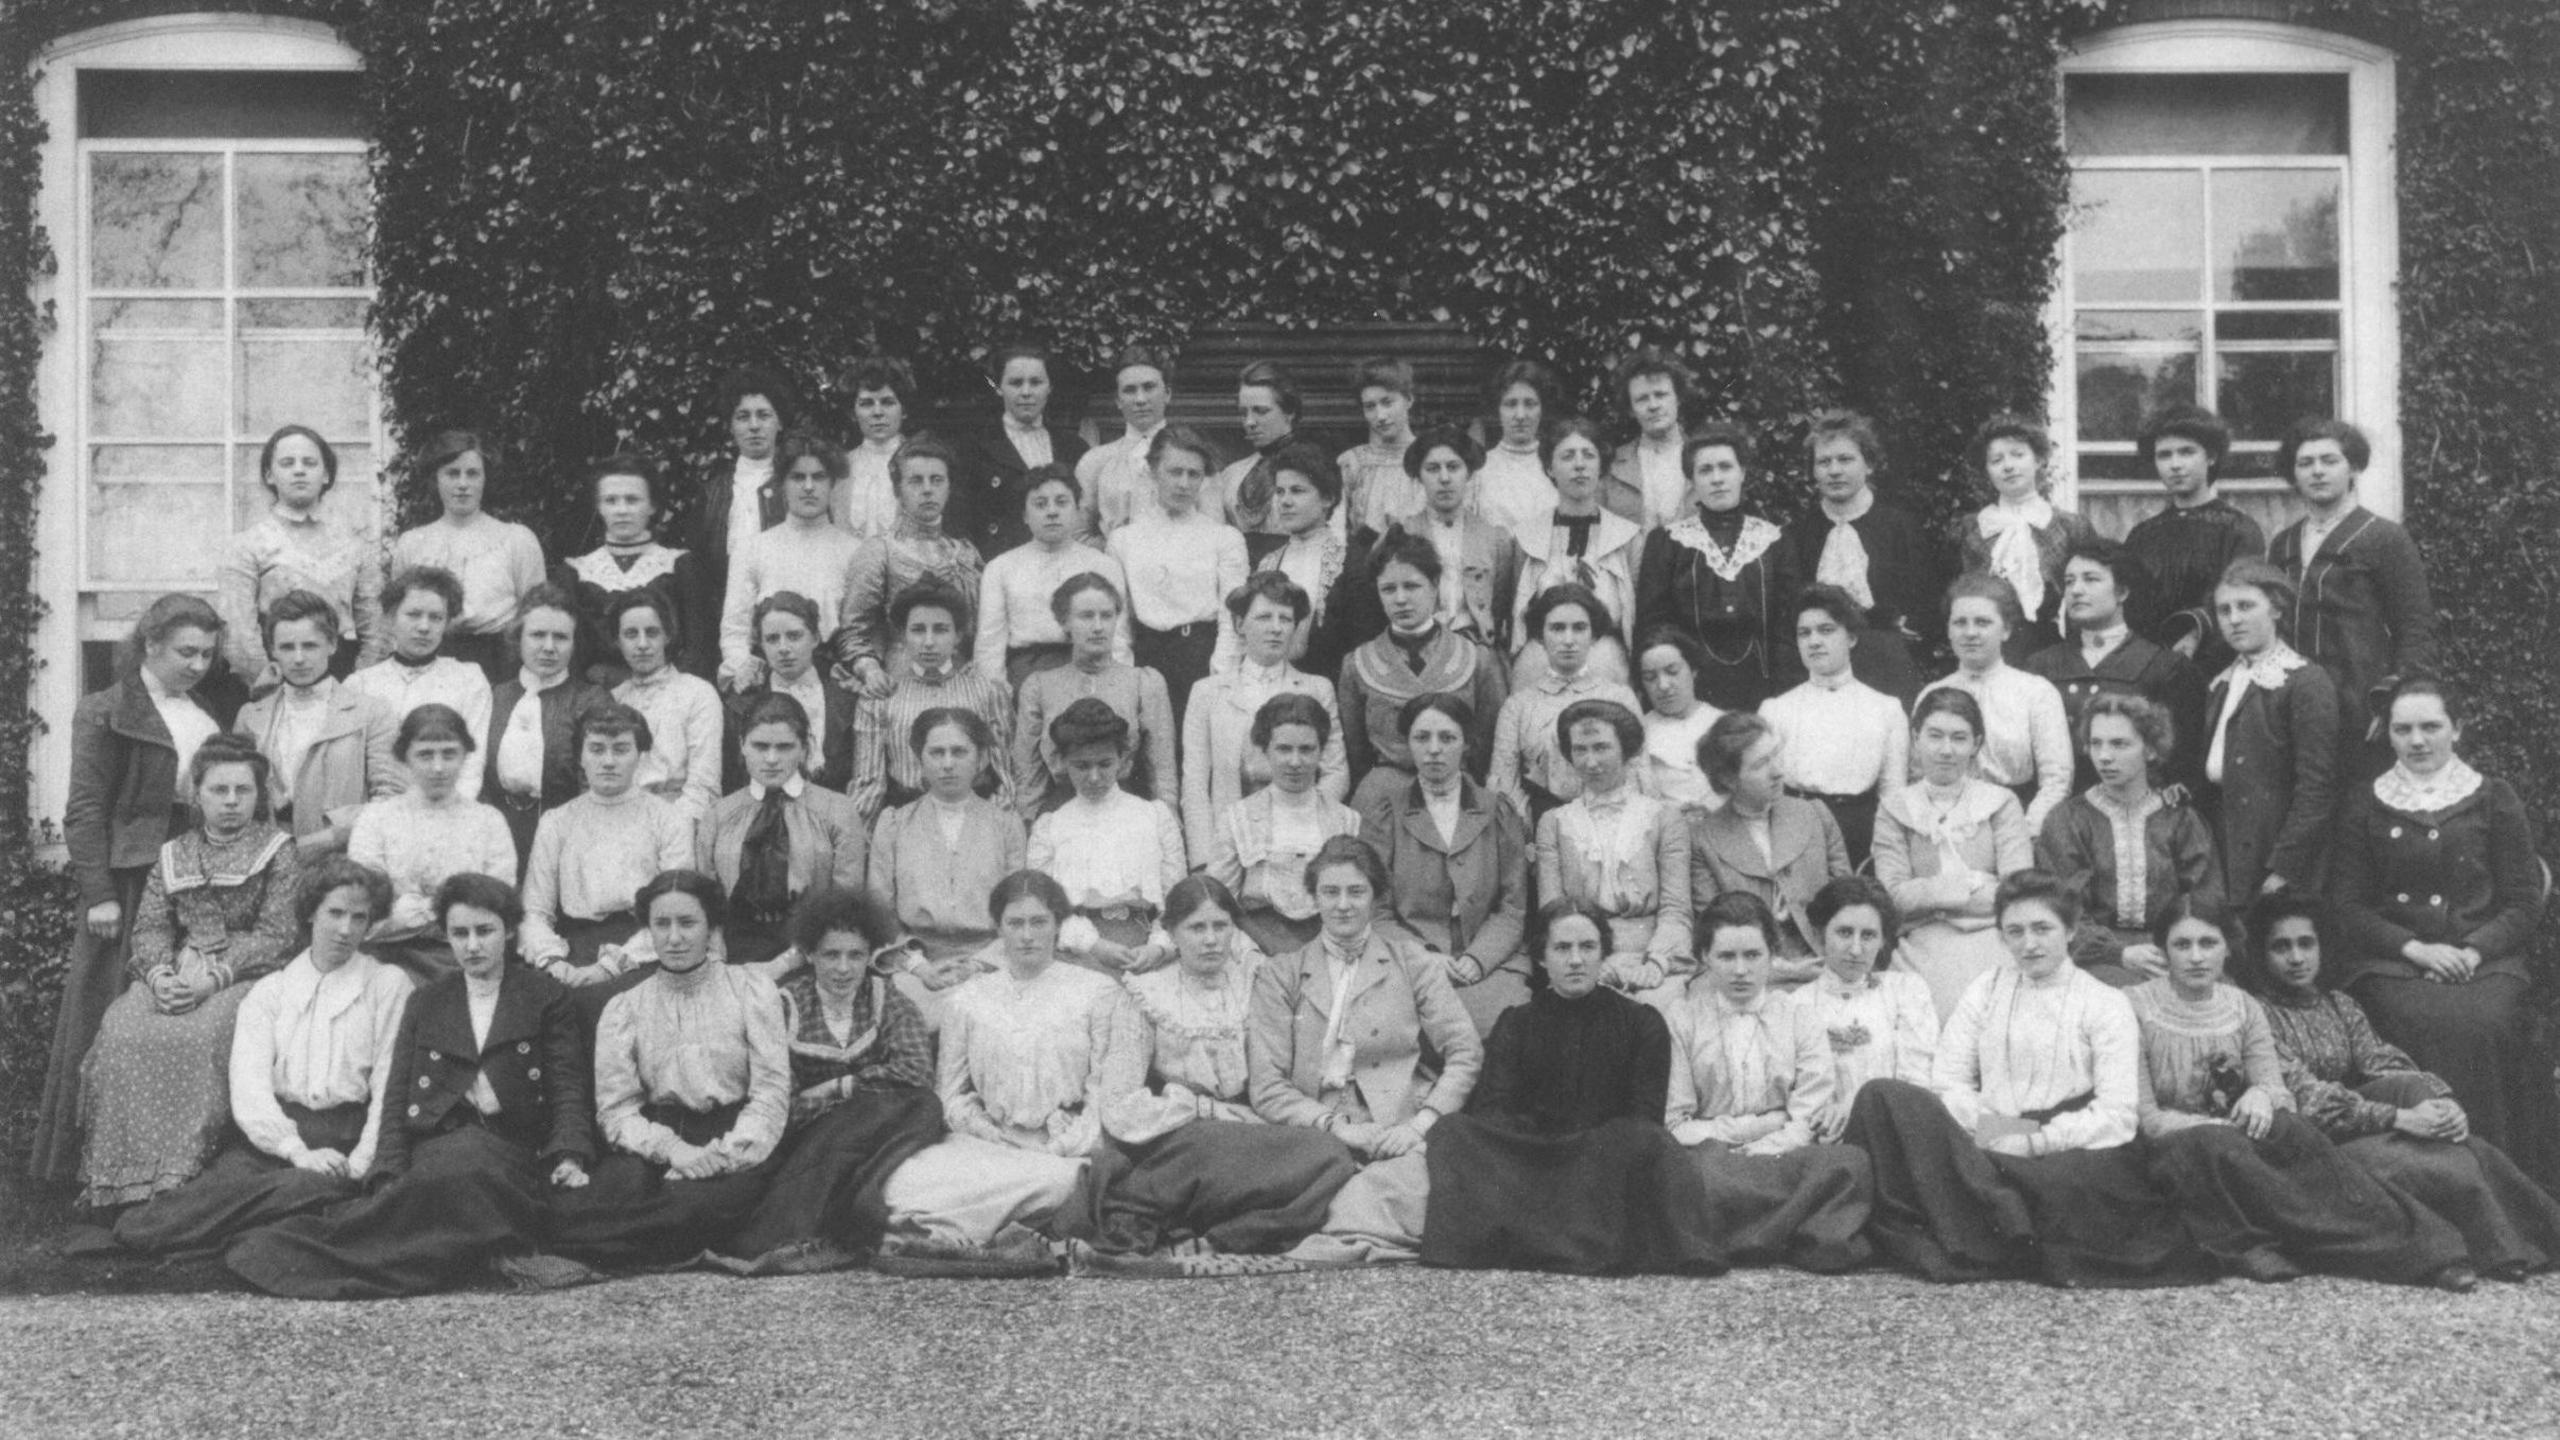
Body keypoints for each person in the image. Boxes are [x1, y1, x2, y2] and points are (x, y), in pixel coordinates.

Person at [224, 873, 598, 1299]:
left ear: (509, 930)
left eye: (484, 931)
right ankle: (493, 1252)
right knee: (445, 1172)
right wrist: (387, 1171)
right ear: (446, 936)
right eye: (459, 933)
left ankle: (477, 1254)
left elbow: (568, 1086)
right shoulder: (429, 1001)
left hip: (516, 1143)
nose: (472, 946)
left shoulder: (544, 996)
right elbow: (397, 1093)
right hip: (444, 1140)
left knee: (469, 1172)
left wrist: (569, 1154)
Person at [1839, 871, 2211, 1287]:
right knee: (1882, 1097)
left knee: (2062, 1188)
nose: (2028, 944)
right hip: (1990, 1132)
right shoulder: (1987, 988)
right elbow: (1948, 1080)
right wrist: (1991, 1127)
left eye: (2042, 929)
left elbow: (2118, 1114)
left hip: (2072, 1145)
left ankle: (1988, 1223)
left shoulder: (2105, 1003)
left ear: (2070, 931)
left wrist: (2035, 1140)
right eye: (2014, 931)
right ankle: (1986, 1211)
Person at [2128, 898, 2472, 1288]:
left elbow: (2278, 1090)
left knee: (2296, 1132)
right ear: (2162, 951)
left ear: (2227, 948)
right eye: (2181, 945)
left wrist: (2261, 1094)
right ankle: (2341, 1248)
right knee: (2228, 1150)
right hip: (2176, 1148)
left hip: (2238, 1140)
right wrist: (2223, 1125)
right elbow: (2148, 1118)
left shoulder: (2243, 1006)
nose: (2195, 957)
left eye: (2208, 943)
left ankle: (2425, 1250)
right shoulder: (2134, 1007)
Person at [110, 858, 413, 1256]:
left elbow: (391, 1083)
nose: (345, 929)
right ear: (310, 914)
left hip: (348, 1139)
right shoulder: (271, 991)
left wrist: (361, 1163)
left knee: (305, 1189)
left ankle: (278, 1220)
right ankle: (253, 1224)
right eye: (335, 913)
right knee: (191, 1207)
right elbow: (250, 1088)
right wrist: (296, 1150)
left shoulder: (387, 985)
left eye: (360, 918)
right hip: (277, 1141)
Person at [2252, 892, 2560, 1278]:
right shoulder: (2255, 1015)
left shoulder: (2338, 1005)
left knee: (2459, 1140)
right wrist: (2399, 1118)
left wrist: (2441, 1103)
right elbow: (2307, 1098)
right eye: (2281, 947)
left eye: (2305, 944)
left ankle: (2529, 1240)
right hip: (2312, 1146)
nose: (2296, 958)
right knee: (2430, 1160)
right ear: (2262, 955)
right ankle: (2500, 1251)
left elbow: (2385, 1062)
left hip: (2361, 1127)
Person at [2328, 678, 2557, 1187]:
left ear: (2457, 728)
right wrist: (2415, 948)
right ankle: (2413, 1186)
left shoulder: (2494, 798)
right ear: (2387, 735)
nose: (2417, 740)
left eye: (2431, 726)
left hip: (2485, 962)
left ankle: (2503, 1186)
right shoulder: (2366, 802)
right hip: (2391, 962)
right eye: (2402, 729)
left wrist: (2474, 951)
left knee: (2483, 1023)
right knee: (2406, 1018)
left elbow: (2522, 903)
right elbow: (2346, 906)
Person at [33, 593, 228, 1183]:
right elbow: (85, 809)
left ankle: (162, 1161)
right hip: (129, 877)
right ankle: (83, 1165)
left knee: (177, 1010)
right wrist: (99, 894)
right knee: (105, 1010)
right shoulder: (105, 709)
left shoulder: (202, 714)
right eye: (186, 652)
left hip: (190, 872)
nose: (197, 665)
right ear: (150, 644)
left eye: (207, 654)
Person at [1420, 900, 1723, 1275]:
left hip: (1603, 1164)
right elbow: (1494, 1111)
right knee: (1451, 1131)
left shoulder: (1641, 1023)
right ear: (1543, 958)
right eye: (1562, 948)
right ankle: (1568, 1237)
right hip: (1533, 1161)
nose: (1576, 960)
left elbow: (1644, 1119)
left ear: (1604, 954)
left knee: (1645, 1141)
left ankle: (1537, 1238)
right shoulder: (1517, 1023)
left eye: (1587, 947)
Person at [1084, 876, 1360, 1273]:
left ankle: (1224, 1237)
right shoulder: (1147, 994)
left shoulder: (1257, 979)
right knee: (1288, 1161)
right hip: (1184, 1135)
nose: (1211, 939)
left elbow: (1288, 1066)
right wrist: (1203, 1109)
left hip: (1255, 1122)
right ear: (1172, 934)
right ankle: (1219, 1229)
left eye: (1221, 926)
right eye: (1197, 928)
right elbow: (1119, 1104)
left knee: (1332, 1158)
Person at [77, 737, 299, 1209]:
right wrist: (160, 977)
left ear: (259, 795)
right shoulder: (174, 852)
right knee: (123, 1028)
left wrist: (213, 978)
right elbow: (152, 926)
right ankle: (119, 1180)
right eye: (219, 790)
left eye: (244, 790)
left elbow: (277, 935)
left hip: (245, 974)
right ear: (196, 794)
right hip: (178, 969)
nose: (232, 801)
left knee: (200, 1036)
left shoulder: (278, 851)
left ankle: (183, 1177)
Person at [876, 870, 1140, 1268]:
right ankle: (985, 1231)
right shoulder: (967, 999)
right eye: (1015, 923)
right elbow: (949, 1092)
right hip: (988, 1143)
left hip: (1063, 1148)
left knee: (1058, 1182)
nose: (1027, 935)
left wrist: (1064, 1144)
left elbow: (1107, 1094)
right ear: (998, 928)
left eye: (1039, 922)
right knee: (904, 1180)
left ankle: (951, 1232)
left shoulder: (1098, 992)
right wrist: (983, 1129)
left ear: (1058, 926)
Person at [1252, 836, 1483, 1265]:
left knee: (1422, 1183)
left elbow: (1465, 1052)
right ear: (1313, 898)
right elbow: (1267, 1085)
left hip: (1398, 1125)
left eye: (1356, 892)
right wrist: (1334, 1125)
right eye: (1330, 892)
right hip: (1315, 1130)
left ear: (1376, 897)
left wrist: (1420, 1125)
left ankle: (1342, 1225)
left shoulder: (1412, 961)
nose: (1343, 905)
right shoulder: (1280, 974)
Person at [546, 870, 791, 1271]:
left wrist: (721, 1156)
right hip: (656, 1142)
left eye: (688, 923)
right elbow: (617, 1110)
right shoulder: (625, 1008)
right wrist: (673, 1150)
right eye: (662, 924)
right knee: (582, 1207)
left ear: (712, 929)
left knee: (689, 1207)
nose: (674, 937)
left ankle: (625, 1248)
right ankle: (634, 1242)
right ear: (649, 931)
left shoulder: (751, 989)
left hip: (731, 1140)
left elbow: (771, 1094)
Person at [717, 888, 946, 1274]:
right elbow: (779, 1101)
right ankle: (812, 1230)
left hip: (875, 1129)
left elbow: (915, 1072)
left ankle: (847, 1213)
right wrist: (841, 1099)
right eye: (831, 954)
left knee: (924, 1106)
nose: (843, 968)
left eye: (855, 955)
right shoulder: (785, 1005)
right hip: (807, 1136)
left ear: (869, 955)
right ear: (809, 954)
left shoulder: (885, 999)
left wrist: (839, 1088)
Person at [1660, 893, 1877, 1271]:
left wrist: (1772, 1143)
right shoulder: (1681, 1020)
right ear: (1704, 958)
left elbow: (1807, 1116)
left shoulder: (1799, 1017)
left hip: (1784, 1157)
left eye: (1753, 955)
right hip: (1716, 1159)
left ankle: (1738, 1237)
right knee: (1690, 1175)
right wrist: (1760, 1126)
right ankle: (1787, 1235)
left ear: (1772, 955)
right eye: (1727, 957)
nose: (1741, 970)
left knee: (1850, 1163)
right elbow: (1676, 1124)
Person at [2267, 418, 2437, 779]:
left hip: (2360, 708)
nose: (2317, 472)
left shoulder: (2384, 538)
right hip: (2291, 708)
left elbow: (2415, 627)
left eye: (2330, 461)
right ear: (2293, 474)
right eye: (2305, 463)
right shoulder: (2282, 544)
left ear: (2353, 467)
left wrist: (2393, 703)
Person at [1360, 694, 1533, 1036]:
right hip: (1410, 961)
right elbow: (1376, 912)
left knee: (1501, 1028)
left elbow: (1512, 908)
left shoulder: (1496, 810)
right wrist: (1424, 958)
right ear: (1408, 744)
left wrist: (1477, 958)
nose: (1434, 749)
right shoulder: (1385, 814)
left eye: (1447, 738)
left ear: (1466, 744)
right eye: (1422, 738)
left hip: (1490, 962)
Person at [2034, 694, 2221, 987]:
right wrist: (2117, 952)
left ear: (2149, 749)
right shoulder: (2067, 821)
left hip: (2172, 953)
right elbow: (2061, 907)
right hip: (2092, 960)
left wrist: (2178, 949)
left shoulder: (2181, 820)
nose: (2104, 756)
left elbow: (2204, 900)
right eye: (2096, 743)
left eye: (2119, 744)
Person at [1872, 689, 2033, 1020]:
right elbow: (1893, 895)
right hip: (1923, 938)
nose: (1946, 750)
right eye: (1935, 736)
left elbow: (2017, 890)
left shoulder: (2001, 802)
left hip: (1993, 934)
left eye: (1959, 738)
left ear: (1975, 744)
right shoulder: (1894, 808)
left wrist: (1930, 891)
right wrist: (1971, 883)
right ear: (1916, 738)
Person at [518, 703, 695, 991]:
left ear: (640, 755)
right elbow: (535, 911)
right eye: (597, 749)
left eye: (621, 749)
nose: (609, 761)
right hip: (571, 950)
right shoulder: (557, 822)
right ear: (580, 756)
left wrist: (612, 966)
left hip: (645, 950)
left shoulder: (669, 818)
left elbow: (674, 908)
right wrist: (552, 962)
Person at [865, 709, 1028, 1014]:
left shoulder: (1006, 825)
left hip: (990, 963)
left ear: (980, 760)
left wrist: (978, 965)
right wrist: (919, 967)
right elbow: (879, 912)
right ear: (920, 759)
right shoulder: (894, 824)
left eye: (959, 752)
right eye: (937, 753)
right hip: (913, 966)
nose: (948, 763)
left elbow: (1018, 910)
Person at [1779, 410, 1945, 705]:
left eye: (1845, 459)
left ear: (1868, 464)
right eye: (1824, 462)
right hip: (1817, 667)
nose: (1834, 470)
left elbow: (1925, 604)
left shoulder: (1900, 527)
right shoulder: (1798, 534)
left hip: (1885, 664)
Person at [1183, 571, 1351, 863]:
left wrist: (1304, 825)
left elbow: (1336, 773)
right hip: (1229, 843)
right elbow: (1195, 783)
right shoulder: (1207, 692)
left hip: (1301, 842)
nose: (1276, 628)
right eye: (1264, 618)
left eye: (1285, 619)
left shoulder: (1316, 688)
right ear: (1239, 624)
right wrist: (1204, 859)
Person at [1337, 531, 1510, 811]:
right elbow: (1355, 751)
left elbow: (1487, 741)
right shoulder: (1356, 664)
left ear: (1434, 585)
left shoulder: (1476, 658)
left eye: (1412, 586)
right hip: (1384, 799)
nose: (1401, 599)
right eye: (1389, 589)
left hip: (1457, 795)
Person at [2023, 536, 2209, 797]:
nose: (2076, 590)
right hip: (2058, 812)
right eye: (2069, 581)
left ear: (2122, 591)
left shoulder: (2166, 667)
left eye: (2091, 579)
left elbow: (2183, 761)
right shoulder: (2040, 666)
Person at [1634, 424, 1802, 712]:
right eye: (1705, 470)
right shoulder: (1667, 542)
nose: (1717, 479)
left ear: (1742, 473)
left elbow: (1788, 625)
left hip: (1765, 688)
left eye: (1725, 467)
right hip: (1692, 692)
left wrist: (1783, 698)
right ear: (1691, 481)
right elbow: (1653, 626)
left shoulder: (1774, 539)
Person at [346, 704, 518, 983]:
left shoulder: (488, 821)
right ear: (404, 758)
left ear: (465, 756)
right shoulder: (376, 819)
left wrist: (410, 910)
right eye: (425, 755)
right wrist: (449, 908)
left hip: (467, 960)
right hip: (385, 960)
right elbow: (368, 914)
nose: (438, 767)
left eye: (449, 754)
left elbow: (497, 912)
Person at [2200, 559, 2339, 902]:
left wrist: (2284, 867)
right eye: (2224, 610)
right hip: (2223, 840)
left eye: (2246, 606)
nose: (2234, 619)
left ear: (2276, 609)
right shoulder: (2222, 682)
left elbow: (2317, 786)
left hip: (2271, 847)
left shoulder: (2304, 681)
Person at [1535, 699, 1693, 992]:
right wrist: (1591, 962)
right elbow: (1552, 913)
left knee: (1659, 1006)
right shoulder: (1553, 823)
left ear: (1626, 749)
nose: (1590, 762)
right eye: (1580, 750)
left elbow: (1676, 909)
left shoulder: (1664, 818)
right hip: (1580, 957)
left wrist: (1655, 964)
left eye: (1601, 747)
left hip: (1651, 956)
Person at [700, 694, 868, 967]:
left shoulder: (837, 810)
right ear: (742, 745)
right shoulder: (719, 814)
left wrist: (786, 964)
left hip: (812, 952)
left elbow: (843, 905)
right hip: (733, 952)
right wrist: (718, 960)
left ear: (804, 749)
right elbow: (707, 899)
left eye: (785, 747)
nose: (771, 759)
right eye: (760, 746)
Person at [234, 590, 401, 859]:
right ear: (272, 650)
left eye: (310, 645)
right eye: (287, 647)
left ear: (332, 645)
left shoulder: (371, 713)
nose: (299, 658)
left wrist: (329, 839)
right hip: (266, 860)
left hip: (341, 859)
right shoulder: (251, 716)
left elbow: (391, 800)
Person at [1027, 699, 1188, 970]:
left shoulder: (1155, 816)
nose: (1093, 777)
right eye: (1081, 765)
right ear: (1063, 762)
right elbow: (1042, 907)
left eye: (1104, 763)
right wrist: (1093, 945)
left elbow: (1178, 899)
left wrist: (1158, 948)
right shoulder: (1051, 825)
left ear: (1123, 760)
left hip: (1146, 948)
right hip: (1076, 953)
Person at [1689, 712, 1849, 982]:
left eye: (1775, 755)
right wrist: (1781, 971)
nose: (1778, 772)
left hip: (1827, 965)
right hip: (1750, 976)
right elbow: (1714, 931)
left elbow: (1848, 903)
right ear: (1729, 779)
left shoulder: (1815, 815)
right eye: (1761, 764)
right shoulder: (1703, 840)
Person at [1105, 426, 1248, 721]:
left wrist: (1221, 675)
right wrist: (1125, 676)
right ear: (1153, 471)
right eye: (1174, 472)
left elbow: (1231, 616)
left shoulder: (1224, 538)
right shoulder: (1124, 540)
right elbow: (1118, 620)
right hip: (1146, 659)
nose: (1184, 483)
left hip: (1201, 658)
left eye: (1194, 474)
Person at [1759, 585, 1907, 867]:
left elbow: (1893, 792)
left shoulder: (1885, 709)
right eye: (1805, 633)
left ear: (1851, 637)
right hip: (1793, 833)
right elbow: (1767, 792)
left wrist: (1884, 853)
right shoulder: (1776, 710)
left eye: (1826, 630)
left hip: (1859, 837)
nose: (1814, 641)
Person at [216, 424, 379, 681]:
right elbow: (238, 632)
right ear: (270, 476)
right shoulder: (246, 546)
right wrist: (266, 680)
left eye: (310, 463)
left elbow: (375, 627)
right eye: (287, 463)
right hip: (278, 671)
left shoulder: (356, 546)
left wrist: (362, 681)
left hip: (346, 673)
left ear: (326, 475)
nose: (299, 470)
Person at [844, 581, 1015, 825]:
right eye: (918, 630)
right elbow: (869, 785)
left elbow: (1004, 776)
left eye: (941, 629)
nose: (928, 642)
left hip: (976, 819)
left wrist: (994, 826)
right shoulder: (881, 699)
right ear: (903, 635)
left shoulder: (986, 692)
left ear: (958, 636)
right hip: (908, 820)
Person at [1205, 694, 1362, 957]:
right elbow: (1217, 903)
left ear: (1321, 751)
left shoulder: (1346, 821)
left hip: (1329, 950)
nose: (1295, 762)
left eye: (1306, 749)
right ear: (1265, 749)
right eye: (1284, 749)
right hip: (1257, 949)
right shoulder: (1238, 819)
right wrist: (1246, 954)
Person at [388, 429, 546, 685]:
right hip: (431, 659)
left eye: (472, 474)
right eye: (452, 473)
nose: (462, 484)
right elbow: (399, 618)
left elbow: (536, 615)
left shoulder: (515, 540)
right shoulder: (413, 543)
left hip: (500, 664)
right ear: (435, 479)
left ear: (485, 479)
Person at [1918, 572, 2073, 830]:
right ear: (1948, 629)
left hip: (2017, 822)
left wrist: (2025, 832)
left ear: (2006, 629)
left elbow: (2057, 781)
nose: (1970, 633)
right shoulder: (1933, 694)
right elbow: (1917, 774)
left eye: (1983, 622)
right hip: (1945, 826)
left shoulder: (2035, 692)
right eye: (1960, 623)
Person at [1010, 573, 1178, 811]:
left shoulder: (1143, 683)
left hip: (1126, 810)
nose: (1098, 627)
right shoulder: (1039, 687)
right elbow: (1028, 775)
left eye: (1107, 616)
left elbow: (1162, 773)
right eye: (1086, 616)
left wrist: (1166, 824)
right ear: (1064, 621)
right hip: (1061, 812)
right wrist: (1027, 827)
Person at [836, 437, 986, 698]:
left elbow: (982, 628)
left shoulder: (966, 553)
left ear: (949, 487)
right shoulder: (880, 551)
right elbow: (853, 632)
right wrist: (870, 670)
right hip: (901, 683)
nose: (927, 489)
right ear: (897, 490)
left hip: (964, 682)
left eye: (937, 480)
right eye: (916, 481)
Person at [2121, 404, 2265, 674]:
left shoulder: (2238, 529)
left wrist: (2195, 635)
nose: (2175, 465)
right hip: (2147, 669)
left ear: (2210, 457)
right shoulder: (2142, 535)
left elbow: (2242, 601)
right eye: (2164, 455)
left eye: (2186, 452)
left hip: (2215, 668)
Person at [1219, 440, 1376, 680]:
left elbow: (1362, 648)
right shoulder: (1267, 562)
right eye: (1280, 491)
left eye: (1297, 491)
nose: (1285, 501)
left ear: (1327, 498)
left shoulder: (1353, 561)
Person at [1797, 877, 1937, 1143]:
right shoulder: (1796, 1006)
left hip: (1900, 1130)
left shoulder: (1906, 991)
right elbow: (1802, 1099)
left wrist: (1855, 1107)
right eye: (1845, 933)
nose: (1856, 949)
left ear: (1883, 940)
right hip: (1825, 1139)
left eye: (1869, 935)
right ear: (1820, 934)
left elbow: (1917, 1082)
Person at [716, 431, 858, 693]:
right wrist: (744, 671)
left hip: (835, 683)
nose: (808, 487)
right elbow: (735, 629)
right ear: (782, 483)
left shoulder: (854, 551)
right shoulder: (752, 548)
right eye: (797, 477)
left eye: (818, 477)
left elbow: (862, 630)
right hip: (768, 681)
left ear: (833, 484)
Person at [557, 453, 716, 685]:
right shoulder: (575, 573)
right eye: (611, 500)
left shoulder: (679, 566)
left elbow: (698, 650)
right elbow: (572, 657)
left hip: (669, 693)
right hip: (595, 697)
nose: (622, 510)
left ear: (652, 506)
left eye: (632, 500)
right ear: (599, 507)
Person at [1488, 583, 1641, 824]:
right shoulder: (1518, 706)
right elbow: (1504, 784)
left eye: (1579, 628)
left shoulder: (1620, 697)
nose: (1568, 640)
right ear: (1540, 635)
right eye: (1557, 628)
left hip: (1613, 826)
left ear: (1593, 635)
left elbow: (1637, 773)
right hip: (1540, 828)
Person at [1948, 415, 2097, 661]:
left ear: (2038, 460)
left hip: (2050, 649)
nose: (2008, 466)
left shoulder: (2070, 527)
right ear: (1986, 469)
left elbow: (2085, 595)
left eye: (2018, 455)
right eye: (1996, 460)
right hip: (1985, 650)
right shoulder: (1969, 529)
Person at [484, 583, 610, 866]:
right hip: (498, 834)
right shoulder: (495, 696)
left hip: (567, 835)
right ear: (519, 638)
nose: (549, 647)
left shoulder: (590, 700)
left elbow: (593, 785)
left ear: (575, 643)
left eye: (561, 637)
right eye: (538, 635)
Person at [974, 465, 1134, 686]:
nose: (1052, 511)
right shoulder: (1001, 567)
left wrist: (1119, 688)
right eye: (1040, 504)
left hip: (1092, 673)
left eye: (1061, 502)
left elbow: (1118, 638)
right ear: (1024, 515)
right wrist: (997, 699)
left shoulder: (1103, 565)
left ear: (1077, 510)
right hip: (1027, 675)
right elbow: (989, 645)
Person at [1510, 420, 1640, 690]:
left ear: (1601, 467)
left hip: (1607, 658)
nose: (1579, 465)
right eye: (1567, 456)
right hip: (1541, 657)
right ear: (1550, 468)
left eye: (1588, 455)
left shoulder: (1627, 537)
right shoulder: (1527, 538)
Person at [345, 567, 493, 801]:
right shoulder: (361, 684)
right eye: (413, 614)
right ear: (391, 618)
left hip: (445, 813)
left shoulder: (468, 680)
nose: (424, 627)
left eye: (436, 617)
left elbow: (472, 762)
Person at [955, 340, 1091, 557]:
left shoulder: (1073, 448)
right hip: (1000, 563)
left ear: (1049, 388)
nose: (1026, 392)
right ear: (999, 388)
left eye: (1036, 382)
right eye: (1016, 383)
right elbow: (960, 520)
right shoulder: (975, 448)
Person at [1391, 422, 1521, 648]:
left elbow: (1500, 607)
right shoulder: (1402, 535)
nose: (1444, 478)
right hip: (1416, 648)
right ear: (1419, 477)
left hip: (1477, 648)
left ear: (1468, 473)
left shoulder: (1494, 538)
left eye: (1453, 467)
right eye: (1432, 468)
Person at [608, 589, 726, 831]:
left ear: (667, 636)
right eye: (631, 634)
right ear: (617, 641)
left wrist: (668, 832)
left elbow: (704, 786)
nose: (642, 644)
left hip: (680, 824)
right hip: (619, 824)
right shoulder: (613, 700)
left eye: (652, 633)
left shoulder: (697, 693)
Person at [722, 591, 855, 794]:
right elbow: (735, 781)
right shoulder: (742, 704)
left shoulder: (845, 696)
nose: (783, 648)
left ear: (815, 638)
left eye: (794, 636)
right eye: (772, 639)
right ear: (761, 645)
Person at [687, 364, 793, 607]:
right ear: (731, 426)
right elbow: (700, 571)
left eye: (764, 415)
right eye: (743, 417)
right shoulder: (712, 494)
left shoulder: (799, 485)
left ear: (780, 422)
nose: (754, 426)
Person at [1206, 360, 1313, 539]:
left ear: (1290, 411)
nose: (1249, 422)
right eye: (1243, 413)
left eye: (1260, 411)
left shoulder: (1314, 471)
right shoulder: (1231, 475)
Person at [1075, 343, 1175, 534]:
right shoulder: (1095, 461)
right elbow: (1078, 535)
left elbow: (1211, 532)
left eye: (1149, 387)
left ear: (1167, 394)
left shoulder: (1192, 455)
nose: (1140, 399)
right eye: (1130, 390)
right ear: (1118, 401)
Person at [1631, 628, 1722, 813]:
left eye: (1672, 671)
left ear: (1693, 669)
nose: (1663, 685)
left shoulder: (1723, 723)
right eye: (1650, 677)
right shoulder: (1638, 732)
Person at [1603, 348, 1696, 528]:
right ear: (1630, 409)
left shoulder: (1705, 457)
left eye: (1661, 395)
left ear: (1678, 398)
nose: (1653, 405)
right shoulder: (1612, 465)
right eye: (1642, 399)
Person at [1475, 359, 1561, 542]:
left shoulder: (1559, 466)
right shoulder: (1479, 470)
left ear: (1542, 408)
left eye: (1530, 404)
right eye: (1511, 404)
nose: (1520, 415)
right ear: (1497, 409)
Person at [1337, 356, 1423, 534]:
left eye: (1387, 402)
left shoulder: (1430, 457)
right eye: (1370, 406)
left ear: (1408, 400)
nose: (1380, 415)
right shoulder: (1351, 462)